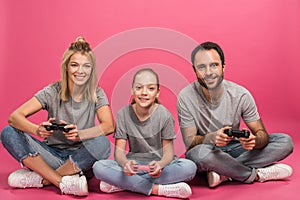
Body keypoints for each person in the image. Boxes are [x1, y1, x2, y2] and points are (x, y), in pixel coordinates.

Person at [1, 37, 114, 196]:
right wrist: (37, 130)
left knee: (102, 143)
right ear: (66, 67)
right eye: (74, 65)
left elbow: (109, 126)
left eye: (86, 66)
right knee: (8, 132)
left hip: (80, 158)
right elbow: (14, 117)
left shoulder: (97, 93)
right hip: (50, 155)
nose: (80, 71)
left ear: (91, 70)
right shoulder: (52, 91)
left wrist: (79, 134)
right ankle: (62, 181)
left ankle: (42, 178)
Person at [177, 41, 294, 188]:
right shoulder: (185, 96)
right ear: (195, 70)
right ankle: (256, 174)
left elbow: (261, 133)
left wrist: (255, 141)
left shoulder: (241, 94)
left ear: (223, 67)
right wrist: (212, 137)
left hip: (236, 149)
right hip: (208, 152)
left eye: (214, 65)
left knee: (285, 141)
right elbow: (189, 142)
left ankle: (224, 172)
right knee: (197, 154)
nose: (208, 72)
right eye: (202, 67)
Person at [93, 68, 197, 198]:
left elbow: (169, 154)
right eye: (139, 87)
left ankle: (123, 184)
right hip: (134, 166)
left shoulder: (165, 116)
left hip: (159, 167)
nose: (144, 93)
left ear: (158, 92)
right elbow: (119, 153)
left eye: (150, 88)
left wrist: (160, 164)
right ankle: (156, 189)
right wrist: (125, 163)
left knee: (190, 167)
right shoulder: (123, 114)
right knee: (99, 167)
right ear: (132, 90)